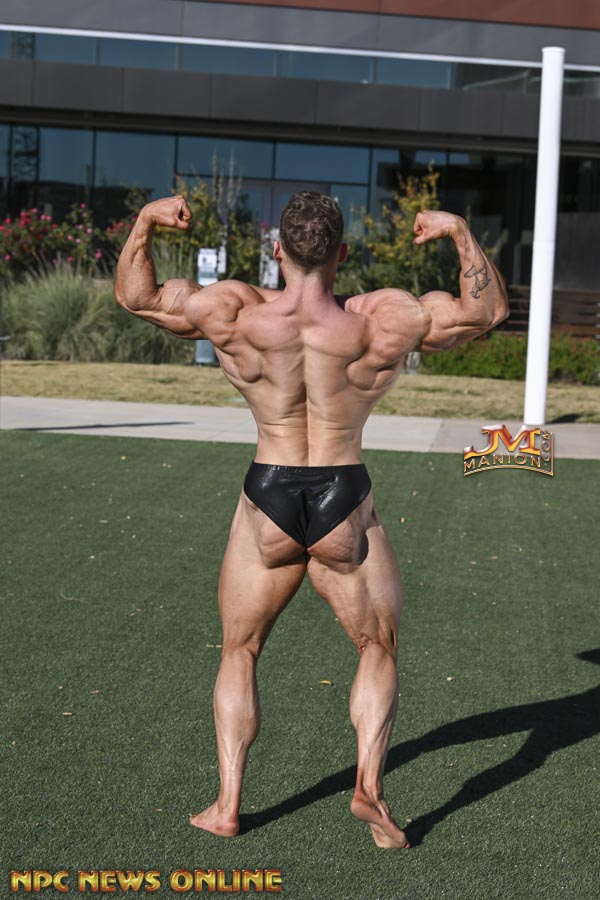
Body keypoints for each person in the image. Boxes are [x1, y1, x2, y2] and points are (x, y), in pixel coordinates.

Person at [115, 191, 508, 849]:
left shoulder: (235, 312)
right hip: (341, 492)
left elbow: (139, 298)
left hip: (268, 492)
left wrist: (145, 221)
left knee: (240, 649)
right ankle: (369, 788)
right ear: (341, 254)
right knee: (376, 646)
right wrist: (460, 232)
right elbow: (485, 311)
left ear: (277, 251)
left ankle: (228, 805)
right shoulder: (382, 318)